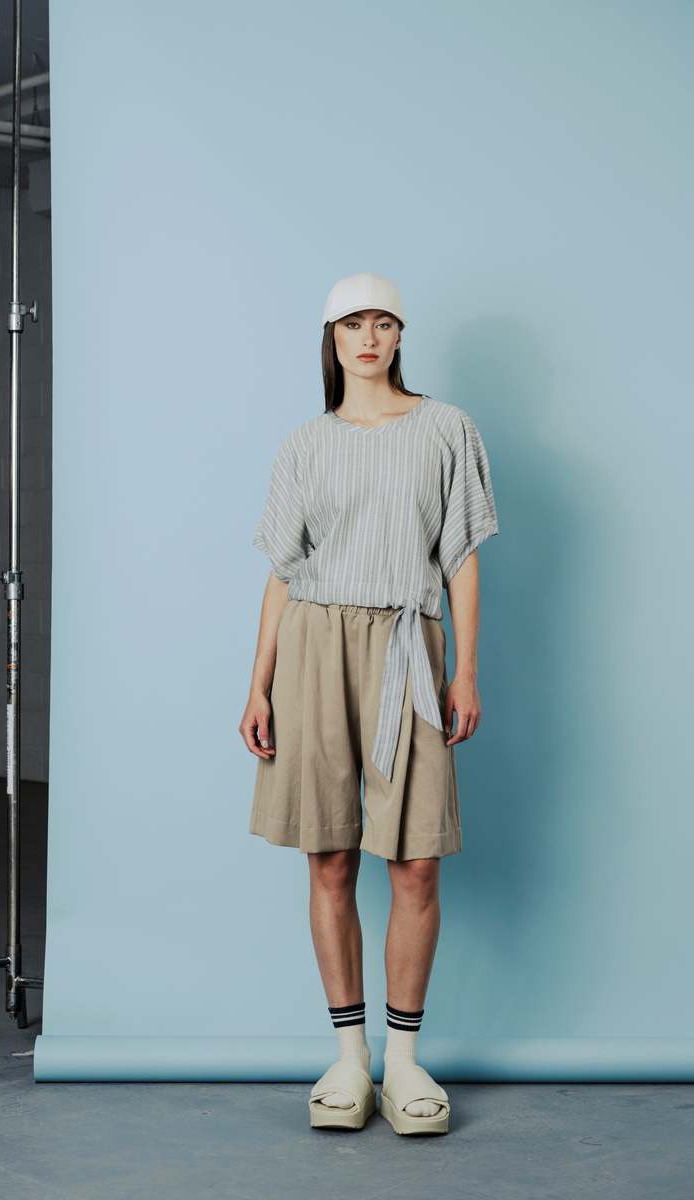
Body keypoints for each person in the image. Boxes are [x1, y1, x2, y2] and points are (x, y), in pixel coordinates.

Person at [239, 272, 499, 1136]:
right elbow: (283, 571)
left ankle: (406, 1061)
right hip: (314, 647)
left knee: (416, 862)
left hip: (407, 646)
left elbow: (461, 557)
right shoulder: (306, 443)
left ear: (400, 336)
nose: (370, 337)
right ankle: (349, 1058)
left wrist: (465, 670)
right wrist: (258, 682)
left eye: (384, 322)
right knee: (329, 858)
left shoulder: (446, 429)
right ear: (332, 337)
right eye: (353, 323)